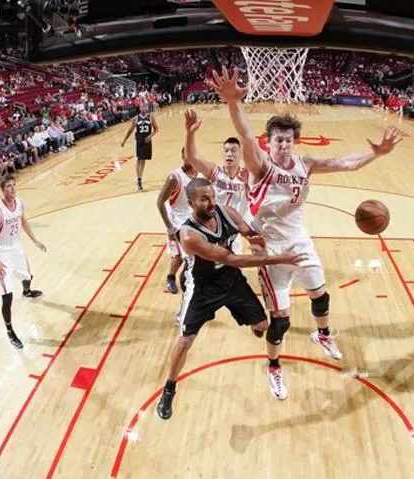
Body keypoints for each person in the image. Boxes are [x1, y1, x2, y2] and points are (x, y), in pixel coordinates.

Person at [205, 66, 400, 400]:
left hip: (300, 240)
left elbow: (346, 163)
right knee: (280, 322)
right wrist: (233, 104)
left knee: (321, 296)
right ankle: (275, 368)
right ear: (270, 142)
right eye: (278, 140)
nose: (284, 145)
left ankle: (323, 335)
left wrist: (376, 153)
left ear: (295, 142)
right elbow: (247, 135)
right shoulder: (260, 165)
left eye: (289, 140)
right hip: (269, 251)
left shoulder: (304, 163)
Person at [156, 178, 305, 420]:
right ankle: (169, 389)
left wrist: (259, 242)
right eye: (204, 199)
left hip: (231, 281)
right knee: (185, 340)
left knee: (263, 326)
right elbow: (233, 259)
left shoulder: (227, 211)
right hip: (203, 288)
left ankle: (245, 320)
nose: (211, 202)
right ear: (191, 202)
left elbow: (249, 232)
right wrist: (278, 259)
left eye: (213, 196)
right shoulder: (188, 235)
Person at [0, 175, 46, 348]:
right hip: (1, 255)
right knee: (7, 297)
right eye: (8, 186)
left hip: (16, 251)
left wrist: (35, 240)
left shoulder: (20, 203)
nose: (12, 188)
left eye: (14, 185)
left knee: (28, 276)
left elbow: (23, 220)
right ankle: (10, 331)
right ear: (2, 190)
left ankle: (27, 291)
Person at [183, 109, 249, 253]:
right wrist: (190, 133)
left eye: (233, 150)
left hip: (234, 230)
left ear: (241, 153)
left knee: (233, 270)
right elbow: (192, 157)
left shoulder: (247, 176)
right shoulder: (214, 172)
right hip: (210, 226)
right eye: (226, 151)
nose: (229, 154)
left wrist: (249, 184)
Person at [156, 148, 204, 294]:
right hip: (177, 223)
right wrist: (169, 227)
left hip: (193, 221)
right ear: (182, 157)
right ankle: (171, 277)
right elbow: (160, 202)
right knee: (179, 258)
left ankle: (193, 279)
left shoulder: (199, 175)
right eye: (186, 156)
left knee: (195, 255)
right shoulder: (174, 177)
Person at [121, 102, 158, 191]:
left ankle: (140, 176)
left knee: (143, 159)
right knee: (139, 159)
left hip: (147, 141)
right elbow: (130, 130)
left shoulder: (151, 117)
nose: (143, 108)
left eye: (145, 106)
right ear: (139, 108)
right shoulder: (136, 118)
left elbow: (156, 129)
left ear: (147, 108)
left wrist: (150, 136)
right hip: (138, 140)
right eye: (141, 107)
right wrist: (124, 140)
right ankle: (139, 179)